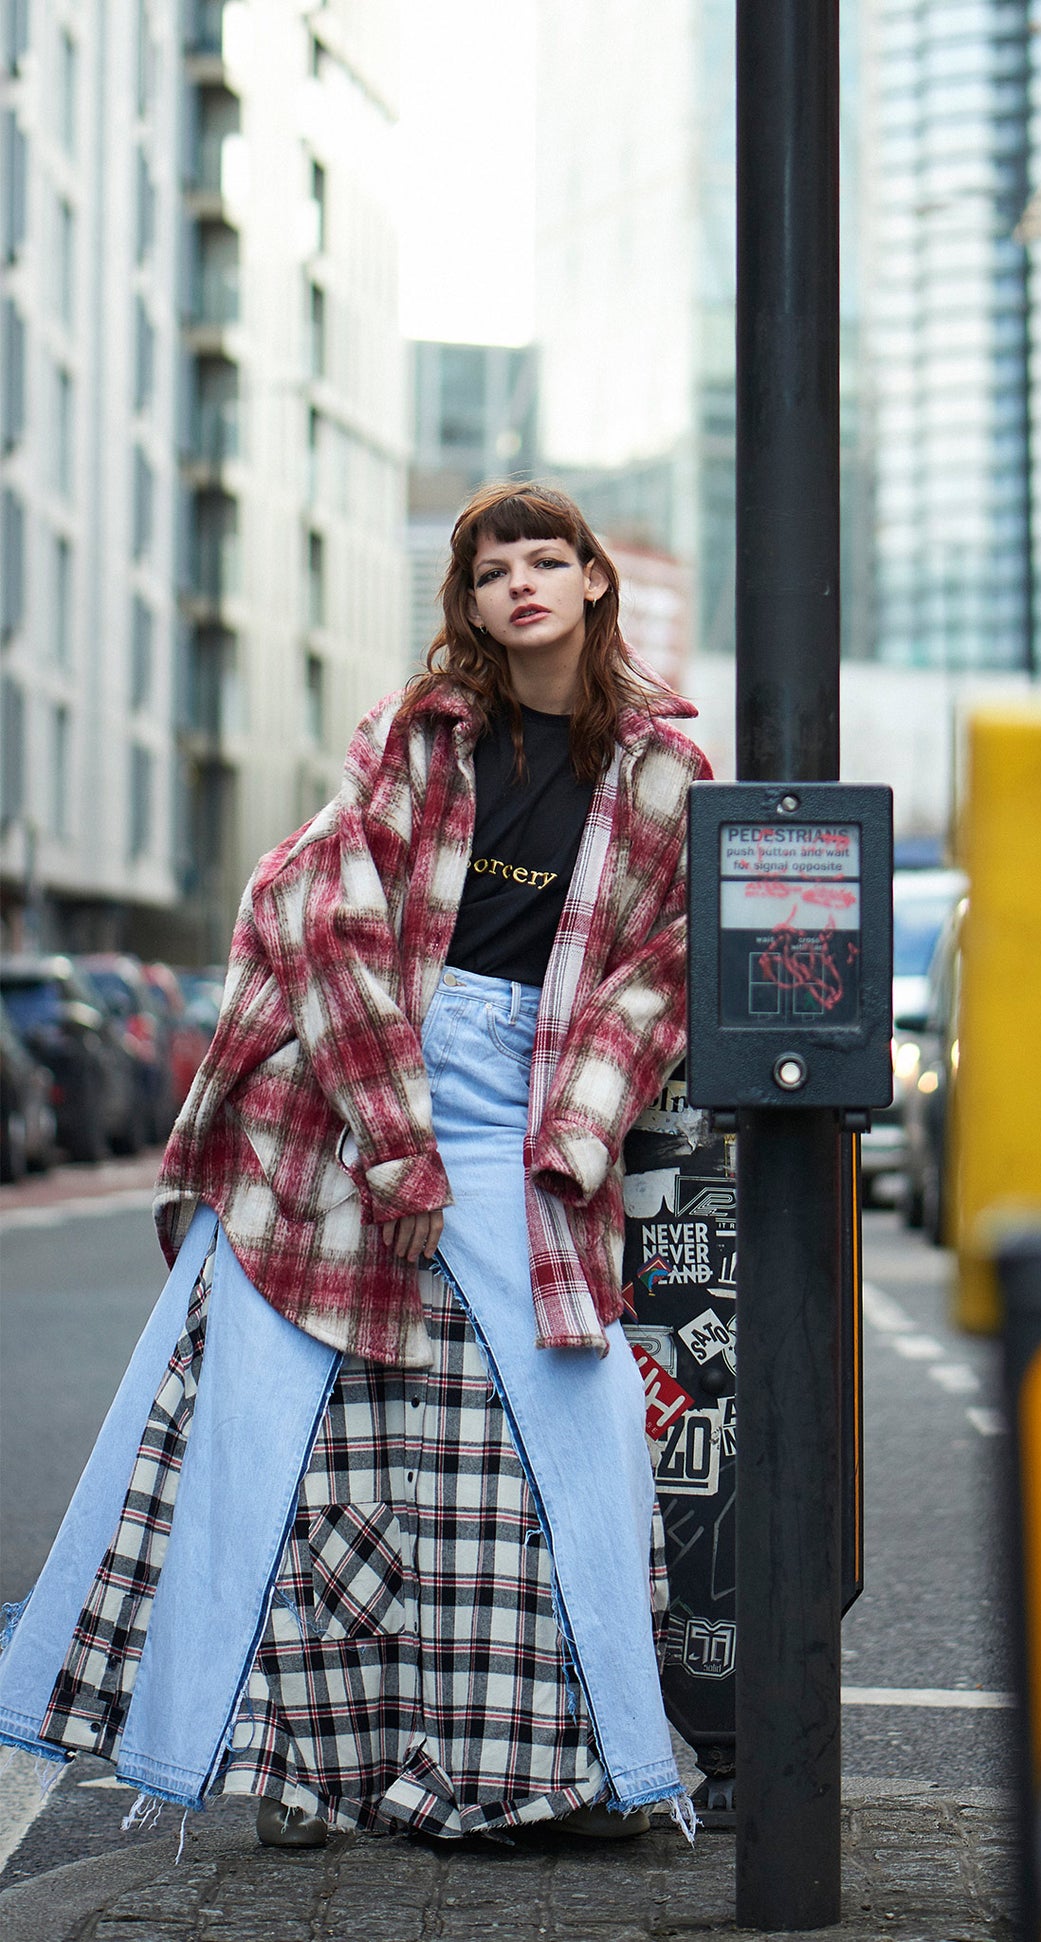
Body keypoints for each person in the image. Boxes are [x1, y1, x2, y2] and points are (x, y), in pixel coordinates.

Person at [0, 483, 709, 1848]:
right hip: (369, 1060)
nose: (519, 584)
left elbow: (661, 972)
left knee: (575, 1428)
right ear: (469, 600)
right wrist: (392, 1135)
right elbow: (335, 918)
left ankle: (563, 1766)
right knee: (296, 1434)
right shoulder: (415, 738)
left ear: (593, 582)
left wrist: (575, 1133)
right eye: (492, 566)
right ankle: (303, 1766)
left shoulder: (666, 771)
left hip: (531, 1091)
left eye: (545, 558)